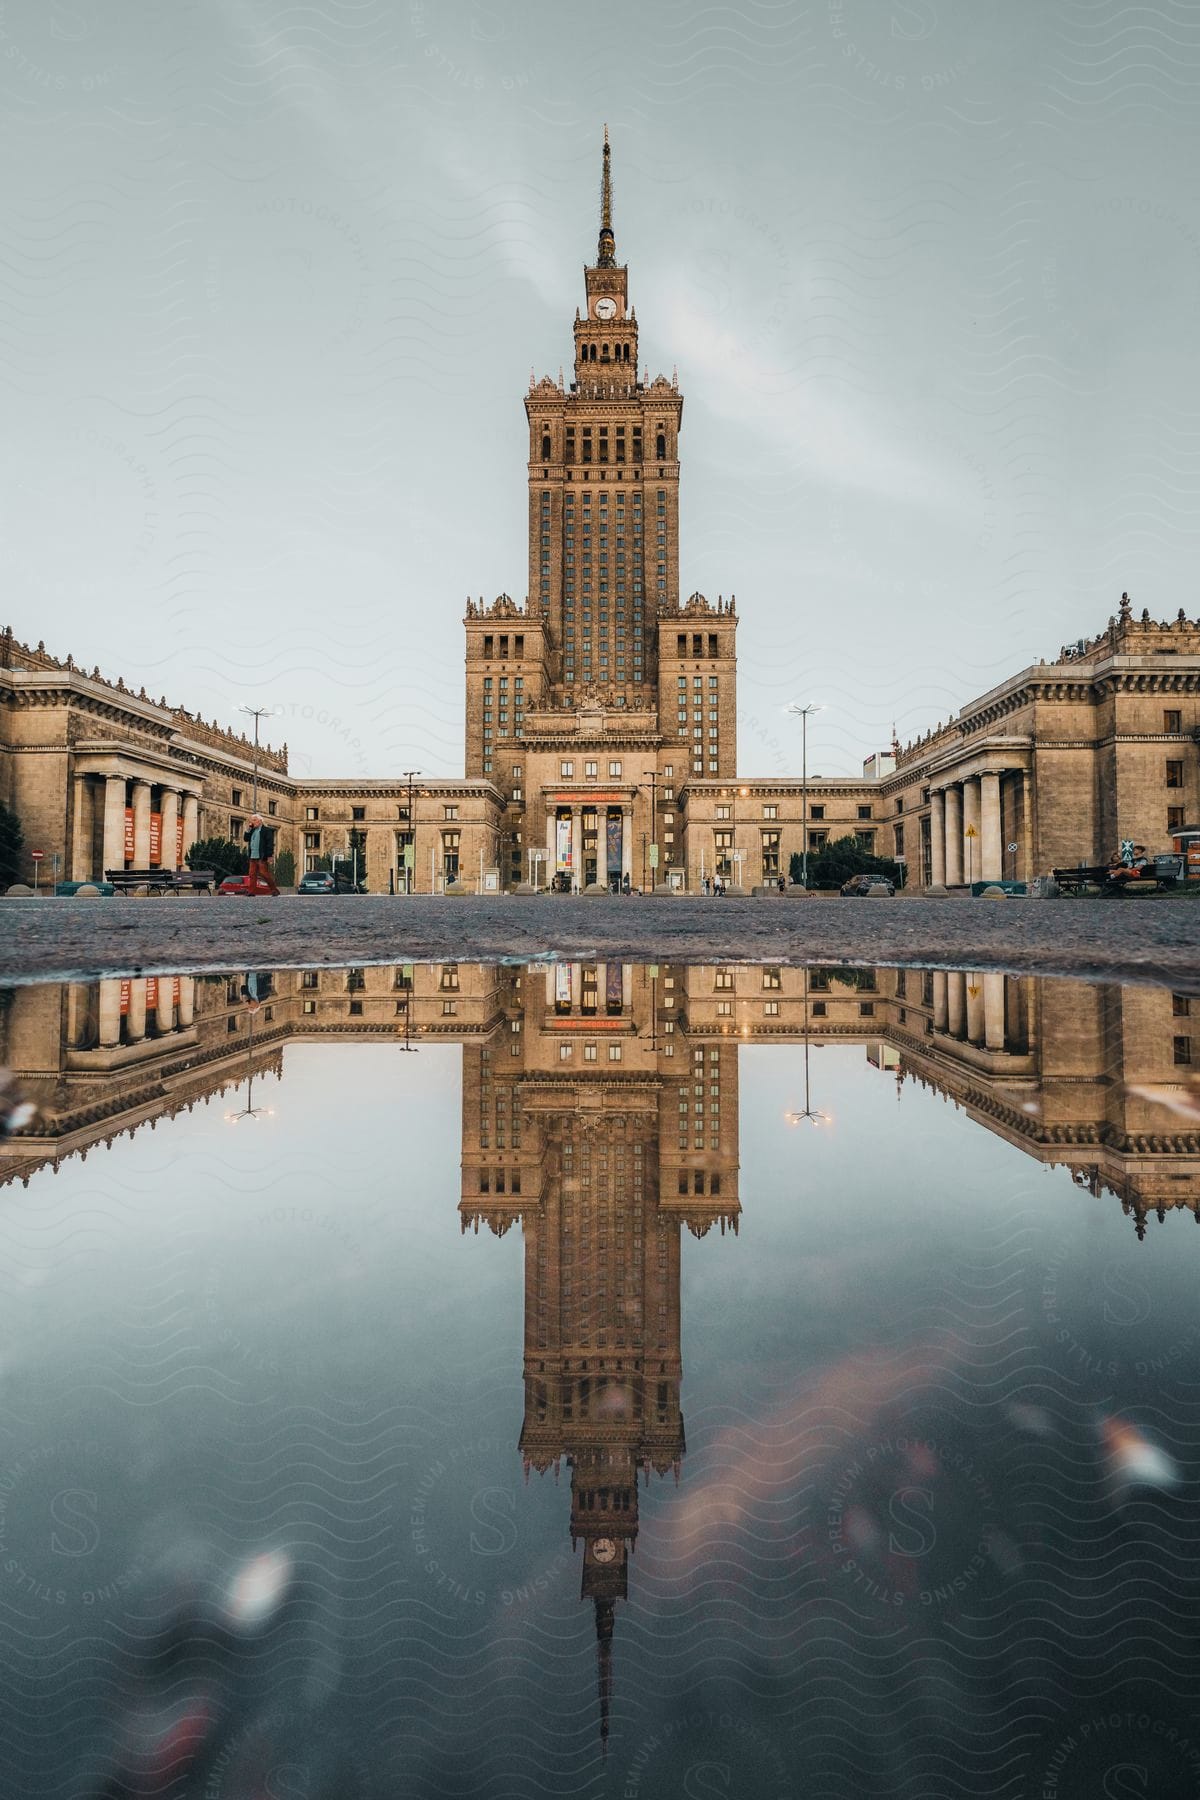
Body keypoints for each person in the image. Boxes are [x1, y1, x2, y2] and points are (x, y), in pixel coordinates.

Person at [243, 814, 279, 894]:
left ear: (260, 821)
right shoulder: (252, 830)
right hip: (252, 856)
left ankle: (274, 889)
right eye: (251, 820)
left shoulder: (266, 830)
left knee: (264, 874)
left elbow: (269, 844)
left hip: (261, 856)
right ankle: (251, 891)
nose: (252, 822)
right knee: (252, 874)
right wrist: (248, 829)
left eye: (254, 820)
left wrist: (270, 855)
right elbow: (246, 839)